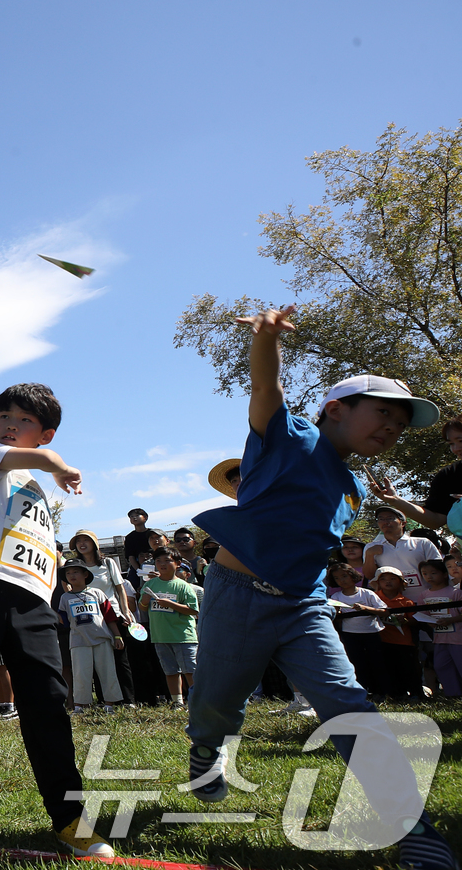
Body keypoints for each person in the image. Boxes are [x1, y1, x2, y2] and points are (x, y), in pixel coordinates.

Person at [187, 307, 454, 869]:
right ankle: (207, 751)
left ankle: (416, 831)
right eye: (384, 413)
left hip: (304, 607)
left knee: (351, 707)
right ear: (336, 408)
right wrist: (265, 339)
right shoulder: (289, 438)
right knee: (217, 703)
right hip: (238, 595)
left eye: (402, 425)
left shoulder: (354, 486)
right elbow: (266, 385)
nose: (393, 428)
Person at [0, 383, 111, 857]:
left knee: (48, 705)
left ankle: (70, 818)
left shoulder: (33, 486)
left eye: (25, 420)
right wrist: (59, 466)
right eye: (4, 415)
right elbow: (30, 460)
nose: (11, 423)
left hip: (33, 602)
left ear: (46, 432)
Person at [65, 529, 136, 707]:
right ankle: (105, 701)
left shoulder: (107, 562)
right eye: (78, 541)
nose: (82, 544)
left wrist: (126, 610)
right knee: (94, 660)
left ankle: (128, 699)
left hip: (112, 613)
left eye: (86, 540)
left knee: (120, 659)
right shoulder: (72, 566)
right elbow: (67, 591)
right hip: (87, 617)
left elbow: (120, 588)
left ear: (95, 543)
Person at [58, 563, 123, 714]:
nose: (72, 575)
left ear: (86, 574)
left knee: (107, 672)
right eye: (68, 573)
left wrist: (117, 635)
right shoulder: (65, 597)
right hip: (78, 641)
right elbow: (63, 620)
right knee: (80, 673)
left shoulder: (97, 593)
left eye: (76, 572)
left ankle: (109, 704)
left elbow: (109, 616)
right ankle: (80, 705)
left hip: (102, 638)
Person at [138, 549, 198, 708]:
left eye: (167, 560)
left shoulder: (183, 586)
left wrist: (171, 604)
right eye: (158, 561)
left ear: (178, 564)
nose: (162, 564)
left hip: (183, 636)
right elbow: (143, 608)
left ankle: (198, 700)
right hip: (160, 636)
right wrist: (144, 600)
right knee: (170, 671)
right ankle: (177, 701)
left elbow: (193, 610)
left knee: (190, 670)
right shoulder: (150, 584)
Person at [327, 563, 388, 699]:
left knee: (377, 662)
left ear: (352, 575)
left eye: (344, 576)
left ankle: (381, 692)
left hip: (371, 633)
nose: (342, 580)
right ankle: (363, 692)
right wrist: (337, 613)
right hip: (350, 635)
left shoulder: (366, 593)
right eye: (337, 578)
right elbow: (333, 618)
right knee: (357, 664)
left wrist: (366, 609)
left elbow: (384, 611)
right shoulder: (336, 597)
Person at [364, 506, 440, 603]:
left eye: (390, 518)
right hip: (394, 602)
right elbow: (370, 575)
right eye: (381, 519)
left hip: (428, 599)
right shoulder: (371, 547)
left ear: (403, 523)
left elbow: (439, 571)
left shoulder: (423, 543)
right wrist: (370, 555)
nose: (385, 522)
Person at [373, 567, 424, 700]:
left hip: (404, 642)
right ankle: (395, 694)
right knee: (388, 670)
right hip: (380, 642)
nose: (387, 582)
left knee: (409, 669)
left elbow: (415, 621)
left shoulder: (406, 602)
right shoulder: (372, 599)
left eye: (392, 578)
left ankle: (415, 694)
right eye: (383, 579)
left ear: (401, 582)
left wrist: (406, 621)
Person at [420, 560, 462, 697]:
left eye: (433, 573)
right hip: (439, 639)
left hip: (458, 638)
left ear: (444, 574)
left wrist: (450, 620)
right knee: (441, 666)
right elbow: (423, 615)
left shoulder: (455, 593)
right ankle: (453, 694)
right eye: (425, 573)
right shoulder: (424, 595)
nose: (429, 576)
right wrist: (430, 623)